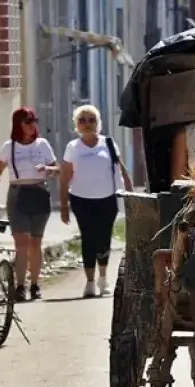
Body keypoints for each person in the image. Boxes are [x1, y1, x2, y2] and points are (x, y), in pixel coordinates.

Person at [59, 105, 133, 298]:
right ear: (76, 125)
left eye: (91, 120)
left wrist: (130, 191)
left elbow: (121, 169)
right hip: (81, 200)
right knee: (88, 238)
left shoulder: (108, 143)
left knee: (104, 238)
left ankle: (103, 277)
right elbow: (64, 177)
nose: (87, 124)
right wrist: (64, 206)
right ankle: (90, 282)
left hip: (107, 199)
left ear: (98, 123)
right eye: (82, 120)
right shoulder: (72, 147)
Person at [0, 107, 58, 301]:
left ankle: (35, 285)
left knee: (36, 243)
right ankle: (20, 286)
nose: (32, 125)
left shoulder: (42, 144)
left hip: (39, 192)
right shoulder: (9, 146)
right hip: (18, 194)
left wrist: (48, 169)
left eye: (34, 121)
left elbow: (56, 168)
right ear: (18, 124)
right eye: (28, 121)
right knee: (22, 242)